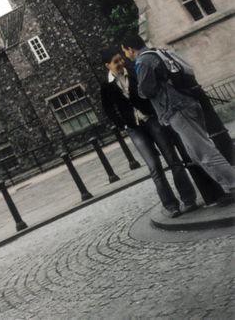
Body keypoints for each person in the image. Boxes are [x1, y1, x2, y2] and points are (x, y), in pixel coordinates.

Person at [121, 34, 235, 206]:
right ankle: (230, 185)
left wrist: (139, 88)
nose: (126, 55)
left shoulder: (143, 61)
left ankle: (233, 186)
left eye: (125, 51)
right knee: (195, 154)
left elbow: (145, 91)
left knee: (203, 151)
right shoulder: (157, 52)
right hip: (186, 103)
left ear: (130, 49)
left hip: (176, 108)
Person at [100, 47, 197, 217]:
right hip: (134, 129)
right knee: (154, 167)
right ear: (108, 65)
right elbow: (108, 109)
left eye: (121, 59)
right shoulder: (106, 86)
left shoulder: (133, 72)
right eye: (116, 62)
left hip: (152, 120)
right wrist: (122, 125)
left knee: (173, 159)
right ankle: (171, 206)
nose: (121, 63)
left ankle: (189, 199)